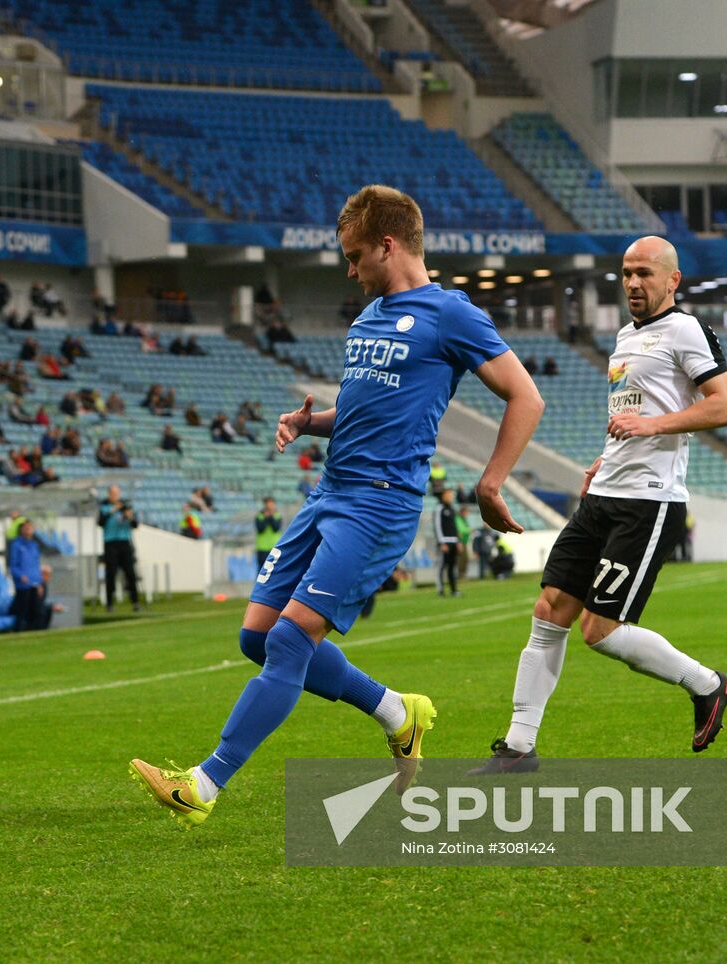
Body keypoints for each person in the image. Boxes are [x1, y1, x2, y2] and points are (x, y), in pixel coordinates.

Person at [130, 184, 543, 827]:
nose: (349, 272)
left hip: (380, 505)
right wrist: (311, 421)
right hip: (329, 492)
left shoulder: (449, 314)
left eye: (354, 256)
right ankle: (397, 713)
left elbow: (526, 397)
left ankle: (204, 786)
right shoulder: (369, 317)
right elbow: (362, 406)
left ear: (388, 244)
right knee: (256, 637)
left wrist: (491, 483)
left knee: (291, 640)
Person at [472, 235, 727, 774]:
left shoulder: (687, 330)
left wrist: (652, 425)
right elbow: (633, 412)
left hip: (648, 503)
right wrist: (605, 457)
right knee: (549, 610)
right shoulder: (624, 336)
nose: (634, 284)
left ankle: (709, 685)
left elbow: (725, 407)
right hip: (605, 493)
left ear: (673, 280)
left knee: (600, 630)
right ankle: (520, 747)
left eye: (645, 273)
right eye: (626, 273)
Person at [99, 485, 140, 613]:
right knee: (111, 574)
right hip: (110, 543)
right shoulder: (104, 506)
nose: (115, 495)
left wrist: (130, 516)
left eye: (117, 493)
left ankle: (135, 602)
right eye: (112, 493)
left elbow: (135, 524)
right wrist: (112, 510)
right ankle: (110, 604)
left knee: (130, 573)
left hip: (124, 542)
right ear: (109, 494)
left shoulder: (126, 507)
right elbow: (100, 522)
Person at [8, 519, 44, 632]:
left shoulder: (34, 545)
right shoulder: (16, 545)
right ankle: (19, 632)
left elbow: (36, 564)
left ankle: (35, 633)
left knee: (37, 611)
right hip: (23, 585)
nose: (28, 530)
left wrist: (39, 582)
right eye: (26, 528)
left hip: (34, 582)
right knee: (22, 611)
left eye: (30, 527)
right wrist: (20, 576)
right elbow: (13, 565)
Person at [435, 488, 460, 597]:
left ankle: (454, 590)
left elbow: (454, 526)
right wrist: (441, 542)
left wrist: (458, 541)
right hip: (444, 542)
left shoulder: (452, 509)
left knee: (452, 567)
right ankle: (440, 590)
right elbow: (437, 526)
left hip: (453, 541)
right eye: (448, 495)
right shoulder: (439, 508)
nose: (450, 497)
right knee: (442, 567)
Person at [254, 497, 281, 571]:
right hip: (262, 547)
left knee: (274, 570)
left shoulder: (277, 515)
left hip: (274, 547)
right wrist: (266, 518)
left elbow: (276, 528)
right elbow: (260, 529)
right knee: (261, 569)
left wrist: (271, 517)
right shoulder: (260, 516)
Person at [455, 505, 473, 580]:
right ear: (463, 512)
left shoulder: (463, 519)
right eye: (466, 512)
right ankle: (460, 575)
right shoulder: (458, 519)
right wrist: (468, 530)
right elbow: (460, 531)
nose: (467, 514)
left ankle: (463, 574)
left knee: (465, 558)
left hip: (464, 542)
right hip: (460, 542)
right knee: (461, 559)